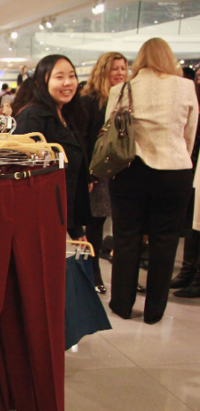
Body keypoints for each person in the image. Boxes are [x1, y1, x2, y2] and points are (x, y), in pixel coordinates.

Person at [106, 38, 198, 323]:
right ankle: (154, 311)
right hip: (174, 171)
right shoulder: (185, 86)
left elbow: (109, 127)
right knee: (165, 241)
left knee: (126, 237)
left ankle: (122, 303)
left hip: (130, 169)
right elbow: (190, 132)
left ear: (140, 58)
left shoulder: (121, 89)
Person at [14, 54, 91, 242]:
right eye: (59, 77)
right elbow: (20, 175)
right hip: (38, 221)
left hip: (60, 218)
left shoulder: (68, 116)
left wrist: (76, 230)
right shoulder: (33, 117)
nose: (68, 83)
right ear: (41, 82)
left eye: (72, 76)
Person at [80, 52, 129, 294]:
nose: (120, 73)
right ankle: (93, 272)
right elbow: (86, 138)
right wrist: (90, 174)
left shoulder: (127, 99)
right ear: (103, 71)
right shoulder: (91, 101)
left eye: (123, 68)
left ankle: (123, 277)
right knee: (96, 225)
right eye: (115, 68)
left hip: (123, 170)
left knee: (122, 224)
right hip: (98, 170)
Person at [171, 67, 200, 298]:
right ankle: (188, 271)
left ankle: (196, 275)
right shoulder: (193, 94)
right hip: (193, 165)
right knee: (194, 223)